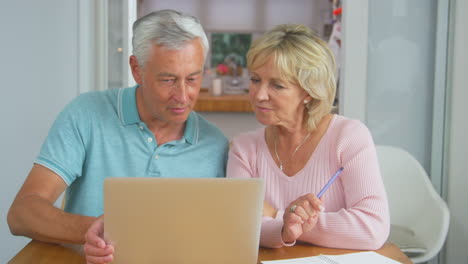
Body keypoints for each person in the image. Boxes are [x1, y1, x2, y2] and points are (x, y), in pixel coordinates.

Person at [7, 9, 228, 249]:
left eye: (193, 79)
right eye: (168, 80)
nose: (183, 96)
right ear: (136, 69)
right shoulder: (86, 114)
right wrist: (97, 230)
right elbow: (22, 214)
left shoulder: (214, 143)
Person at [227, 24, 390, 250]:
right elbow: (240, 226)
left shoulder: (348, 136)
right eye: (255, 80)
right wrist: (284, 229)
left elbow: (373, 228)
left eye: (277, 85)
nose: (260, 95)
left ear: (308, 92)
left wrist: (278, 215)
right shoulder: (244, 148)